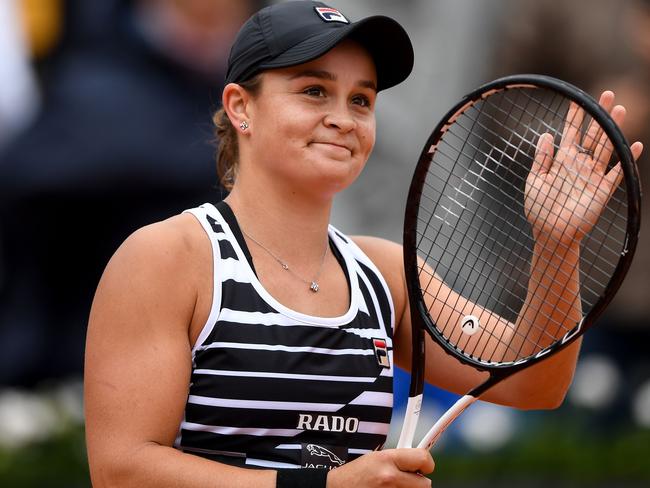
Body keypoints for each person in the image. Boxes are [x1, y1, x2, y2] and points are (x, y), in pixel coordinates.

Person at [83, 2, 644, 487]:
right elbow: (122, 471)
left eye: (361, 100)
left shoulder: (383, 272)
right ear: (240, 107)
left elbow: (535, 380)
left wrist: (554, 242)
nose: (342, 118)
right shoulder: (167, 258)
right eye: (313, 91)